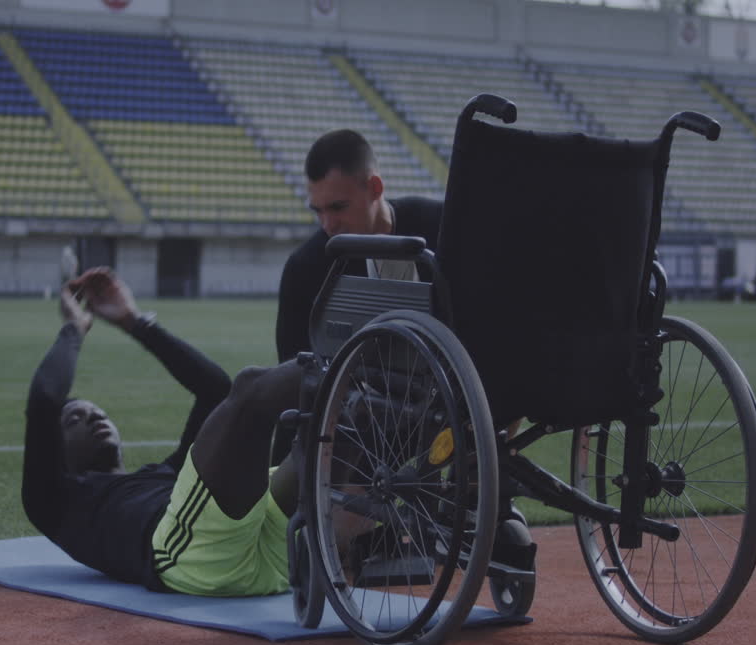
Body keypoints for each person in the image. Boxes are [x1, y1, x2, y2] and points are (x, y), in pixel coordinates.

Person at [22, 267, 303, 596]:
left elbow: (213, 389)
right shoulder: (57, 502)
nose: (93, 417)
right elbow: (45, 399)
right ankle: (355, 360)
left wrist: (135, 322)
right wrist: (75, 327)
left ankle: (365, 371)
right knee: (252, 388)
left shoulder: (168, 472)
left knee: (327, 438)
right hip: (198, 560)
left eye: (97, 412)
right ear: (58, 450)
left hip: (279, 558)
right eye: (74, 419)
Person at [274, 129, 444, 363]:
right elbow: (295, 370)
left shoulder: (441, 227)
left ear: (375, 188)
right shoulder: (304, 267)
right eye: (318, 211)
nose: (327, 225)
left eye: (338, 207)